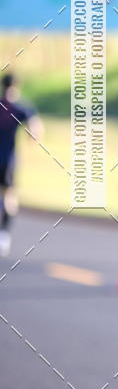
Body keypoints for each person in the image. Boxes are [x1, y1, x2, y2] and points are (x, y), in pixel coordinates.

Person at [0, 73, 43, 257]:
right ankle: (4, 234)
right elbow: (35, 129)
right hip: (8, 160)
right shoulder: (19, 108)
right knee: (10, 198)